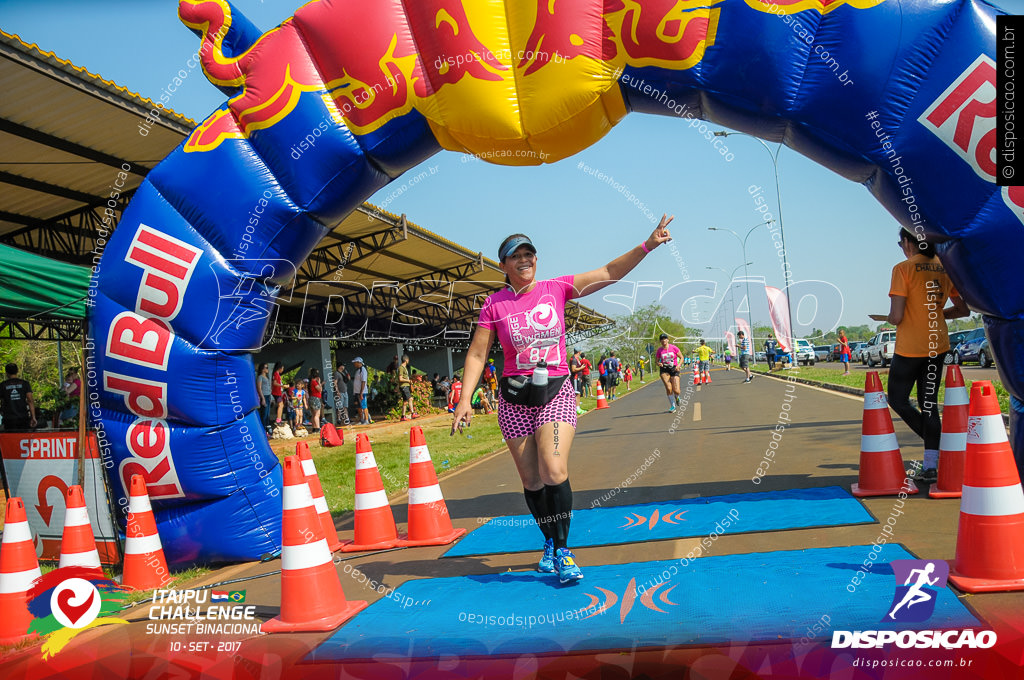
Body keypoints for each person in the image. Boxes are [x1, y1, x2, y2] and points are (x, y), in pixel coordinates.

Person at [452, 218, 674, 583]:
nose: (525, 260)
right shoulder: (494, 305)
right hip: (513, 400)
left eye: (529, 254)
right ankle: (551, 543)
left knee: (553, 470)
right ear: (504, 265)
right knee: (532, 481)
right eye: (516, 256)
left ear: (536, 260)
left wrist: (646, 245)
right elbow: (477, 355)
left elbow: (608, 272)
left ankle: (565, 551)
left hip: (555, 392)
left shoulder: (556, 289)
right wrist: (463, 400)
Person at [887, 228, 969, 482]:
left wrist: (889, 318)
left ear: (909, 242)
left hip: (910, 347)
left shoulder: (903, 269)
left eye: (901, 242)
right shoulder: (944, 267)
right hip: (937, 346)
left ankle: (940, 444)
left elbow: (897, 316)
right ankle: (932, 465)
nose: (901, 247)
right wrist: (938, 314)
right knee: (929, 403)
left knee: (898, 399)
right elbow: (963, 309)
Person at [1, 363, 36, 430]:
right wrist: (33, 417)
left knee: (10, 439)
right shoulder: (25, 383)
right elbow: (30, 400)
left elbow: (2, 401)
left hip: (9, 419)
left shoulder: (3, 385)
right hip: (23, 417)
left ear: (6, 373)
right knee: (22, 438)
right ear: (17, 371)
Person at [655, 333, 683, 411]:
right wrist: (659, 363)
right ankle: (672, 406)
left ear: (667, 340)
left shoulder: (674, 348)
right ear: (660, 341)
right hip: (664, 369)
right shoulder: (659, 350)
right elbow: (656, 361)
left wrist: (678, 366)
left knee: (676, 390)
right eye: (662, 339)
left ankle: (677, 397)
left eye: (665, 339)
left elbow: (681, 357)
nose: (663, 340)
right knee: (668, 388)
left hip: (674, 369)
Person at [352, 357, 372, 425]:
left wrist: (361, 392)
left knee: (364, 406)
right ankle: (362, 420)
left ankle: (366, 420)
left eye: (355, 362)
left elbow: (363, 382)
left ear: (359, 362)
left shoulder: (363, 370)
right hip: (356, 392)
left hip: (362, 392)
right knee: (359, 407)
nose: (354, 364)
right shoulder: (358, 371)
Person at [398, 355, 418, 421]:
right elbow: (400, 379)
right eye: (408, 360)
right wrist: (408, 381)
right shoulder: (401, 368)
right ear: (406, 360)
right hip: (404, 386)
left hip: (406, 385)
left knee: (405, 401)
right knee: (410, 399)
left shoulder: (404, 368)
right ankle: (412, 413)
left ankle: (403, 416)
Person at [569, 349, 587, 415]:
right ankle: (577, 408)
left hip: (578, 378)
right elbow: (573, 369)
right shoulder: (574, 359)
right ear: (579, 352)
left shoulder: (576, 358)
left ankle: (577, 407)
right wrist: (582, 368)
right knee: (576, 393)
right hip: (575, 378)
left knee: (578, 393)